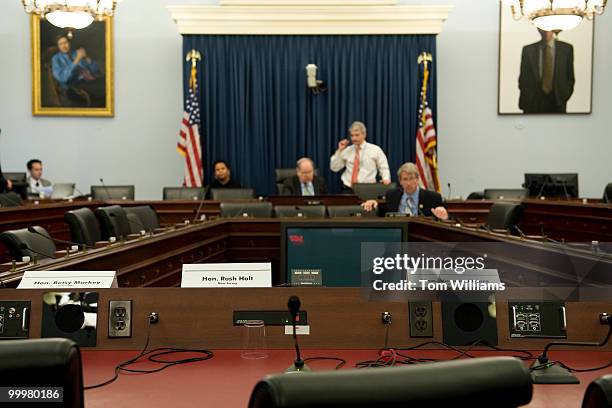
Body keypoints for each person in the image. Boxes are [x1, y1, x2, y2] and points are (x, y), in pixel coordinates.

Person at [361, 162, 448, 220]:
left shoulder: (432, 197)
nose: (409, 183)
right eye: (405, 179)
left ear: (418, 180)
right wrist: (373, 202)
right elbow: (383, 211)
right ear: (400, 181)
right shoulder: (392, 195)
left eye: (411, 179)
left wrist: (444, 215)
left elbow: (449, 218)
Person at [518, 29, 575, 114]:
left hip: (557, 100)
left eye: (548, 28)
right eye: (543, 28)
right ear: (538, 29)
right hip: (533, 102)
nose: (546, 32)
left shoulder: (566, 49)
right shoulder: (528, 50)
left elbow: (570, 76)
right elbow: (523, 78)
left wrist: (564, 95)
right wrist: (528, 96)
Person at [330, 121, 391, 192]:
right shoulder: (347, 150)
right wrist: (339, 151)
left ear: (364, 135)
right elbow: (334, 168)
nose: (354, 138)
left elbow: (383, 167)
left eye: (357, 135)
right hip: (348, 189)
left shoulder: (375, 150)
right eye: (352, 135)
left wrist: (386, 178)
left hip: (368, 189)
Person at [51, 34, 105, 107]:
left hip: (90, 81)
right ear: (58, 46)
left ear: (69, 43)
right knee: (104, 89)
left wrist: (86, 58)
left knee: (107, 81)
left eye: (66, 42)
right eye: (61, 44)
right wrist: (77, 60)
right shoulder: (56, 59)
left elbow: (95, 71)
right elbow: (63, 78)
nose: (64, 46)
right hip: (73, 88)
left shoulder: (76, 53)